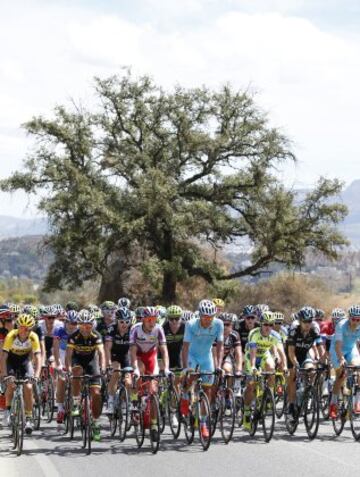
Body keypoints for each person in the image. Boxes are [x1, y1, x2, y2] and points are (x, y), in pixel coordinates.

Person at [182, 299, 224, 438]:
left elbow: (220, 346)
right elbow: (186, 347)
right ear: (200, 315)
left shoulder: (218, 324)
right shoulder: (191, 324)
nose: (208, 320)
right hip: (192, 356)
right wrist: (186, 368)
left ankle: (203, 424)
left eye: (211, 317)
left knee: (208, 390)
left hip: (206, 357)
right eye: (205, 317)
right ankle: (185, 395)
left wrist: (218, 365)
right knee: (191, 377)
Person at [130, 306, 169, 443]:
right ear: (143, 320)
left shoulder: (159, 329)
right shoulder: (136, 329)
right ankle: (135, 402)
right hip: (139, 356)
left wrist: (167, 368)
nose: (151, 322)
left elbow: (164, 350)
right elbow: (133, 352)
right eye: (148, 320)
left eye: (154, 319)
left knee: (153, 391)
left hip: (151, 356)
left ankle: (153, 425)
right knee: (139, 373)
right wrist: (134, 368)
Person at [66, 310, 106, 441]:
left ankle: (95, 423)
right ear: (79, 325)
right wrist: (68, 369)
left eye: (88, 326)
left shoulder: (96, 335)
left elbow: (101, 353)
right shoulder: (74, 336)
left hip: (91, 361)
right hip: (77, 361)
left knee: (96, 393)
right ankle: (76, 402)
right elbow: (68, 355)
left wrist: (103, 368)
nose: (85, 329)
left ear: (92, 326)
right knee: (76, 372)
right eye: (82, 326)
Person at [242, 311, 286, 431]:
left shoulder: (275, 335)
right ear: (261, 324)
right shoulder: (254, 333)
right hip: (252, 357)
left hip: (264, 356)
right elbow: (252, 355)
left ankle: (268, 396)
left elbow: (282, 353)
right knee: (251, 385)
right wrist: (253, 368)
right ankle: (246, 412)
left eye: (271, 325)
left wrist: (285, 366)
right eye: (266, 324)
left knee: (271, 369)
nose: (268, 327)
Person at [0, 314, 41, 434]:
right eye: (22, 327)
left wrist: (37, 375)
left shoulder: (33, 337)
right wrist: (4, 374)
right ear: (18, 326)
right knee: (11, 384)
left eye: (27, 328)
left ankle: (28, 419)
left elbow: (38, 356)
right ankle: (7, 410)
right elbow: (4, 356)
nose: (24, 330)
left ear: (31, 328)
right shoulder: (11, 336)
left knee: (28, 387)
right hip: (11, 361)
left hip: (24, 361)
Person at [286, 306, 325, 419]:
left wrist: (323, 360)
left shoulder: (315, 329)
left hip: (304, 354)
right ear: (300, 321)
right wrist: (296, 364)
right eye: (305, 321)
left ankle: (306, 391)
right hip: (292, 354)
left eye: (310, 321)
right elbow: (291, 352)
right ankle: (292, 405)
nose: (307, 324)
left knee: (312, 371)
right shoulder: (294, 330)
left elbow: (320, 347)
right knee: (293, 375)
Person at [329, 305, 360, 419]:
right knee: (341, 375)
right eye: (354, 319)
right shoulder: (341, 325)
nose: (356, 322)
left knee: (358, 370)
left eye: (358, 319)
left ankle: (357, 403)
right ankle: (333, 404)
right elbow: (338, 346)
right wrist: (342, 359)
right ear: (349, 318)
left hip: (351, 349)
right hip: (337, 350)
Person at [105, 307, 132, 415]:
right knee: (116, 372)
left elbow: (134, 348)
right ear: (117, 321)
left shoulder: (132, 330)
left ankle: (125, 399)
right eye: (121, 322)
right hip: (114, 355)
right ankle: (110, 401)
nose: (124, 324)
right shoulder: (111, 329)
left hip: (125, 355)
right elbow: (107, 348)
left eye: (127, 321)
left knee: (129, 381)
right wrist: (107, 364)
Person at [53, 310, 79, 424]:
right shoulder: (59, 330)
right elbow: (55, 348)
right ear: (66, 322)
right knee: (62, 379)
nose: (72, 325)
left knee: (78, 379)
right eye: (70, 323)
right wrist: (58, 364)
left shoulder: (79, 331)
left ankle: (77, 404)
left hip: (76, 354)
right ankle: (60, 409)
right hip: (63, 353)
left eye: (75, 323)